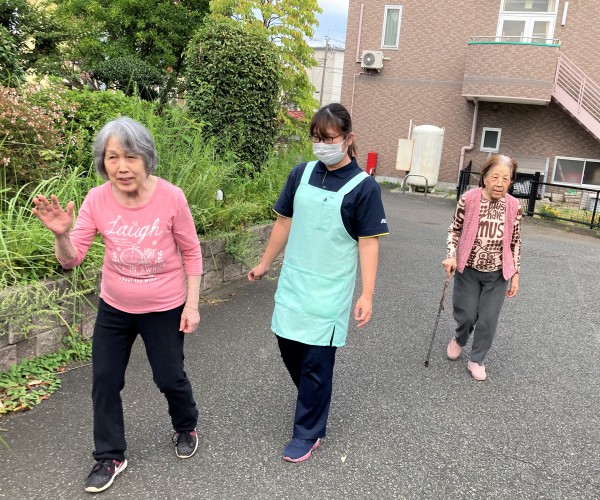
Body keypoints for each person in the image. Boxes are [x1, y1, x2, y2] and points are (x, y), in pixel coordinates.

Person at [32, 117, 203, 493]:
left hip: (164, 307)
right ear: (103, 162)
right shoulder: (97, 199)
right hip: (115, 307)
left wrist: (191, 306)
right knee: (105, 380)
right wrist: (62, 235)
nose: (122, 167)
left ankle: (186, 424)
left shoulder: (171, 197)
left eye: (130, 156)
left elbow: (192, 252)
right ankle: (110, 455)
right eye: (112, 157)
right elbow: (71, 259)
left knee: (169, 377)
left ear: (146, 158)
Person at [248, 103, 389, 462]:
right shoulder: (301, 173)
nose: (321, 145)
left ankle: (308, 431)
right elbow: (284, 221)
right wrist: (265, 263)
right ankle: (315, 395)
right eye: (316, 138)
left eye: (329, 139)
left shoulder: (364, 187)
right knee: (288, 345)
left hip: (330, 289)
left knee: (316, 361)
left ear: (348, 139)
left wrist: (367, 294)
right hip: (295, 281)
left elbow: (368, 242)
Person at [443, 154, 522, 381]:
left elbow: (516, 240)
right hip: (468, 268)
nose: (499, 183)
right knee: (467, 315)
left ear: (511, 181)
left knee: (488, 319)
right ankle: (460, 338)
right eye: (495, 177)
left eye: (505, 178)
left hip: (497, 273)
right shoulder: (469, 199)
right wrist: (451, 255)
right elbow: (454, 229)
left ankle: (476, 359)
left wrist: (515, 273)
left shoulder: (514, 205)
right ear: (485, 177)